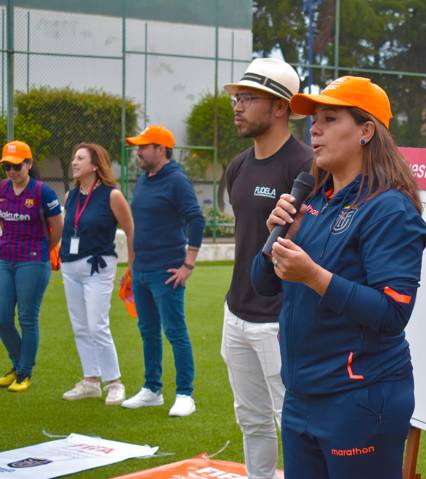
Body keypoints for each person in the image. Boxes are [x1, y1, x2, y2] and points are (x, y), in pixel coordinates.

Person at [251, 76, 426, 479]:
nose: (314, 129)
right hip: (301, 395)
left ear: (366, 131)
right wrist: (274, 237)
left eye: (330, 119)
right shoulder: (311, 198)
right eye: (314, 120)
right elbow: (263, 285)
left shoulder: (391, 210)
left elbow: (392, 312)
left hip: (360, 398)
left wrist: (314, 276)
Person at [221, 58, 312, 479]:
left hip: (280, 321)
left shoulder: (308, 168)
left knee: (290, 422)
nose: (237, 106)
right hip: (235, 313)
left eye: (248, 98)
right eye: (237, 98)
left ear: (280, 107)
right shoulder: (237, 166)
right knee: (251, 419)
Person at [121, 125, 205, 417]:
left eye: (144, 147)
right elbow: (137, 226)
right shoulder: (144, 180)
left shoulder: (177, 181)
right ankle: (152, 389)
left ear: (161, 149)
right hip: (142, 270)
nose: (138, 152)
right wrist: (131, 267)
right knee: (147, 332)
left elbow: (196, 220)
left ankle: (185, 394)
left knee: (175, 332)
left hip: (166, 271)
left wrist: (188, 263)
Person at [60, 143, 134, 405]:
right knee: (80, 326)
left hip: (98, 266)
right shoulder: (71, 196)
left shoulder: (112, 195)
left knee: (97, 325)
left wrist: (131, 265)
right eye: (73, 158)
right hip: (70, 266)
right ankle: (90, 380)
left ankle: (114, 382)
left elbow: (130, 229)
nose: (74, 162)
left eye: (80, 158)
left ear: (94, 165)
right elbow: (71, 228)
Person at [0, 140, 63, 392]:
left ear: (29, 164)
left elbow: (57, 227)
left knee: (27, 317)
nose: (12, 171)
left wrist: (44, 250)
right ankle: (18, 365)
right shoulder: (2, 189)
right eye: (7, 166)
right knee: (2, 317)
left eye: (17, 166)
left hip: (33, 260)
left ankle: (25, 372)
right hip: (5, 258)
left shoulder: (42, 192)